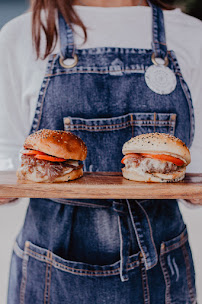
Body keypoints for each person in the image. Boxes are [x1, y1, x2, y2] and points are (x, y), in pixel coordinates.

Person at [0, 0, 202, 302]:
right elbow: (7, 154)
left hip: (161, 271)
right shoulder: (23, 35)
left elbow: (195, 160)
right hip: (46, 271)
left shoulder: (192, 35)